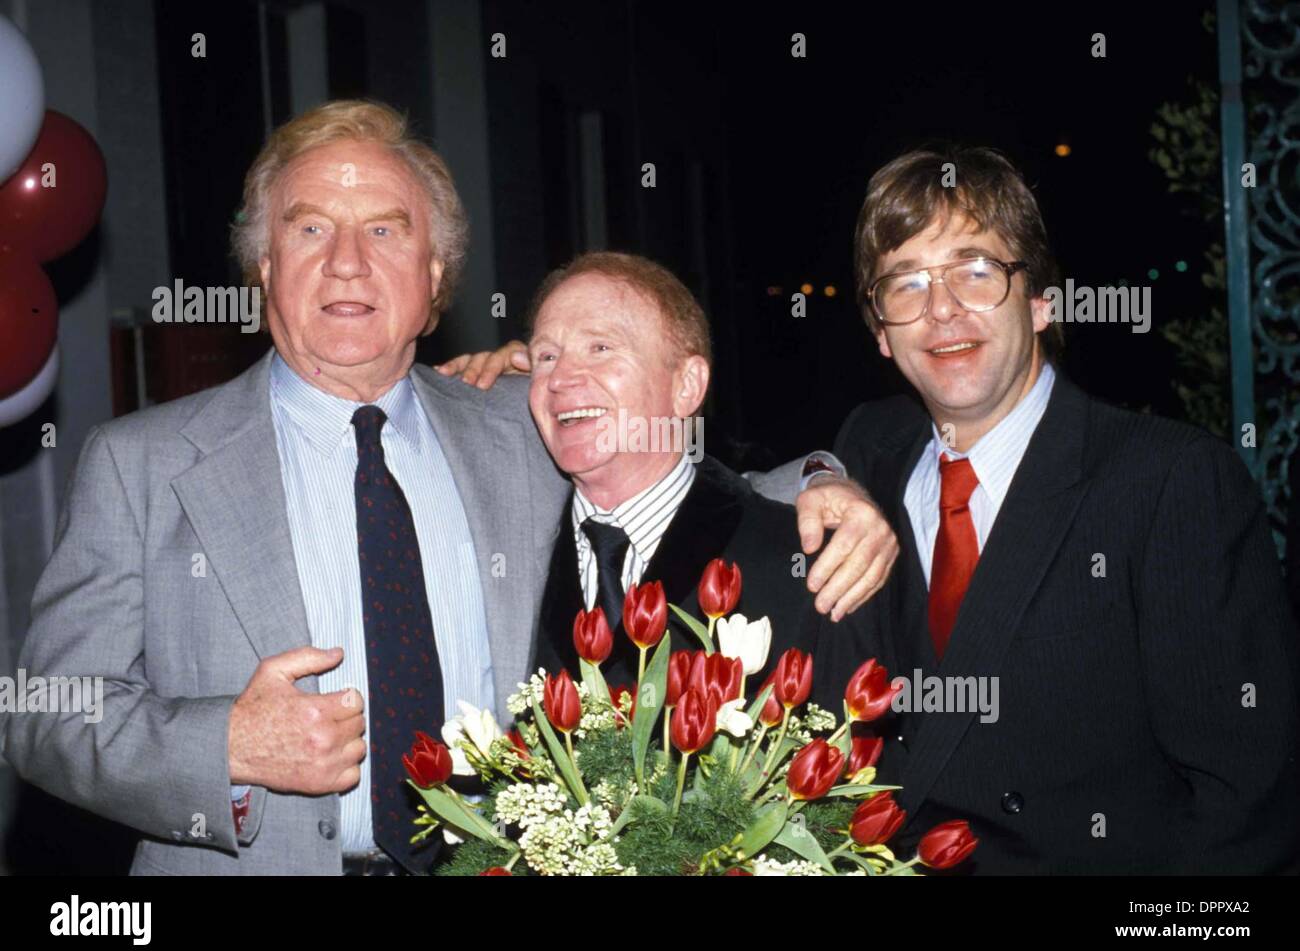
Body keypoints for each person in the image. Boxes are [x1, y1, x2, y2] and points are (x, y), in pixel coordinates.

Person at [1, 99, 893, 876]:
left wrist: (823, 482)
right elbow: (45, 715)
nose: (348, 261)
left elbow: (671, 474)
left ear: (433, 281)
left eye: (386, 230)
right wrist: (221, 747)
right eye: (309, 228)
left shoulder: (524, 422)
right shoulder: (142, 463)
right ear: (264, 269)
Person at [826, 146, 1300, 873]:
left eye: (976, 271)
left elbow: (1245, 801)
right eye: (907, 283)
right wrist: (815, 473)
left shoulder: (1169, 481)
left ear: (1042, 300)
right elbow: (743, 483)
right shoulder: (869, 447)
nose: (942, 308)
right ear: (881, 332)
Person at [524, 252, 850, 710]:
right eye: (546, 355)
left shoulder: (811, 567)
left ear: (687, 386)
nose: (560, 378)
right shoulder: (507, 554)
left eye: (600, 348)